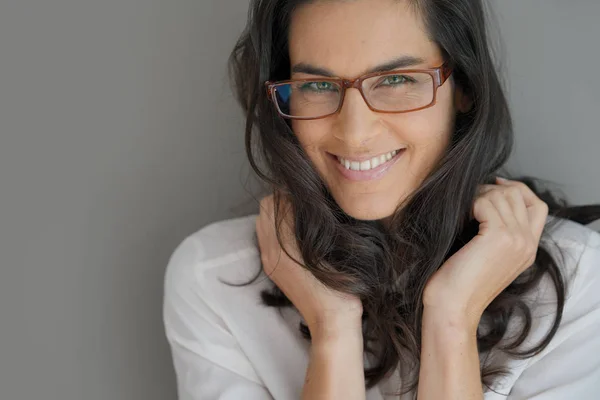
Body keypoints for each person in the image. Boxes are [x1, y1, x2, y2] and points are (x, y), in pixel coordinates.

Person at [163, 0, 600, 399]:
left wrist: (453, 316)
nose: (354, 133)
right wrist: (332, 329)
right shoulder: (215, 279)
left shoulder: (578, 285)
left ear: (463, 86)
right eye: (317, 85)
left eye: (395, 80)